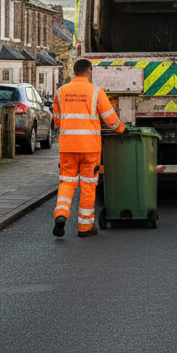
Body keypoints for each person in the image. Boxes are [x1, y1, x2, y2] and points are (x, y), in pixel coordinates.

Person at [51, 58, 126, 237]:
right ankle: (85, 227)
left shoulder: (60, 92)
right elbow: (110, 118)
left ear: (74, 71)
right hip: (89, 148)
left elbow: (57, 120)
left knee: (67, 182)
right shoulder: (95, 92)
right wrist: (122, 129)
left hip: (67, 147)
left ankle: (61, 215)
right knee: (88, 185)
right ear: (89, 71)